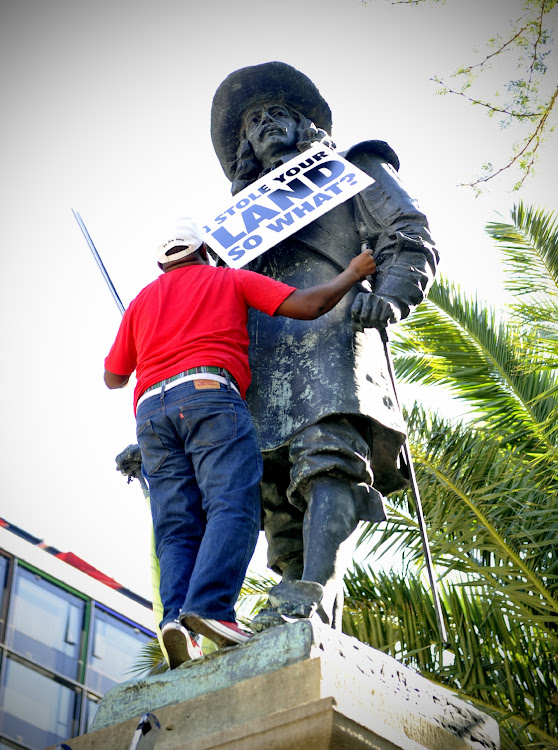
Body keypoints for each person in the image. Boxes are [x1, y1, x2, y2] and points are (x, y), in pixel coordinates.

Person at [210, 62, 440, 630]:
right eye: (253, 122)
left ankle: (313, 591)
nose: (264, 124)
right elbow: (205, 310)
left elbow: (409, 233)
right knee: (272, 497)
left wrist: (390, 295)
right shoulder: (231, 226)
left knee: (327, 463)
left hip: (332, 338)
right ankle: (294, 604)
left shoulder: (352, 167)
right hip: (256, 362)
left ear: (303, 123)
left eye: (276, 114)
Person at [104, 216, 376, 668]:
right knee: (233, 505)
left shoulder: (140, 303)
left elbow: (114, 377)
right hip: (209, 396)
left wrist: (148, 334)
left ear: (161, 265)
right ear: (205, 252)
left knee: (176, 526)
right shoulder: (227, 279)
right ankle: (209, 610)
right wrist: (352, 273)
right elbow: (308, 305)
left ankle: (175, 621)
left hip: (151, 413)